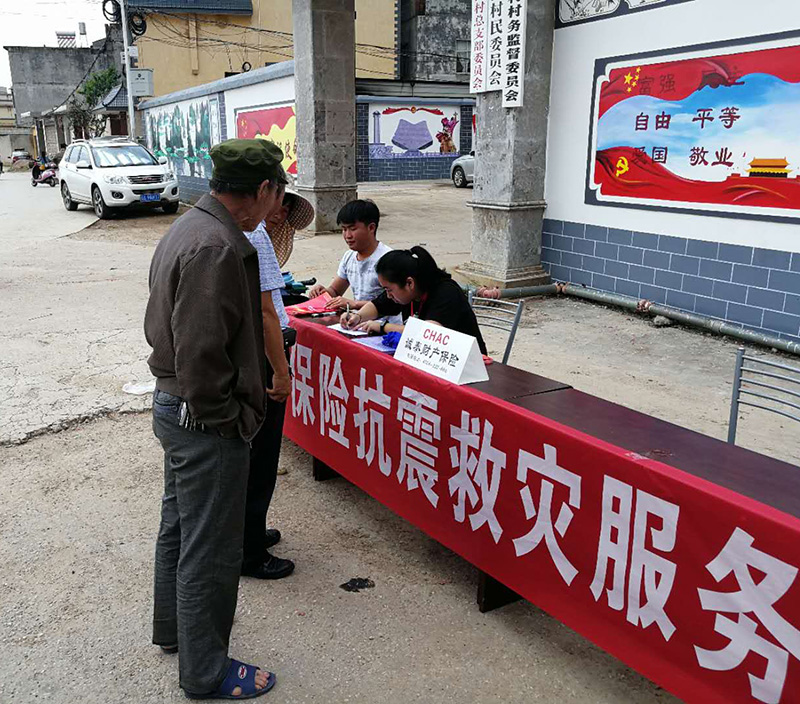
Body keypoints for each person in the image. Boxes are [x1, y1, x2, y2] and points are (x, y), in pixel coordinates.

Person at [144, 138, 288, 700]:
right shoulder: (217, 246)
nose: (276, 208)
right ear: (263, 190)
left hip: (177, 407)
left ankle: (174, 632)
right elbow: (202, 354)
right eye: (277, 195)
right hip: (201, 419)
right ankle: (206, 671)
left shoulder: (192, 226)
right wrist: (229, 418)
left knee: (181, 526)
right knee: (211, 548)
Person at [241, 188, 314, 580]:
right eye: (278, 204)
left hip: (253, 356)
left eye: (287, 211)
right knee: (261, 457)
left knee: (255, 457)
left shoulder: (238, 230)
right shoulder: (255, 236)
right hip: (265, 359)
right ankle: (249, 551)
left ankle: (250, 532)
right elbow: (268, 314)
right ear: (263, 194)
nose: (280, 215)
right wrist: (281, 373)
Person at [340, 246, 487, 354]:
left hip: (465, 364)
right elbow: (378, 305)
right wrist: (357, 317)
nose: (388, 295)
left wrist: (383, 327)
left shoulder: (446, 293)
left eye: (389, 289)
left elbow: (427, 333)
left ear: (409, 283)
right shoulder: (408, 290)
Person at [307, 199, 392, 310]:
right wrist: (323, 292)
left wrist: (354, 304)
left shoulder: (389, 259)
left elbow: (394, 302)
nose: (348, 235)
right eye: (344, 229)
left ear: (371, 228)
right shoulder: (349, 257)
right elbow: (335, 290)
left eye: (353, 229)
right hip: (357, 318)